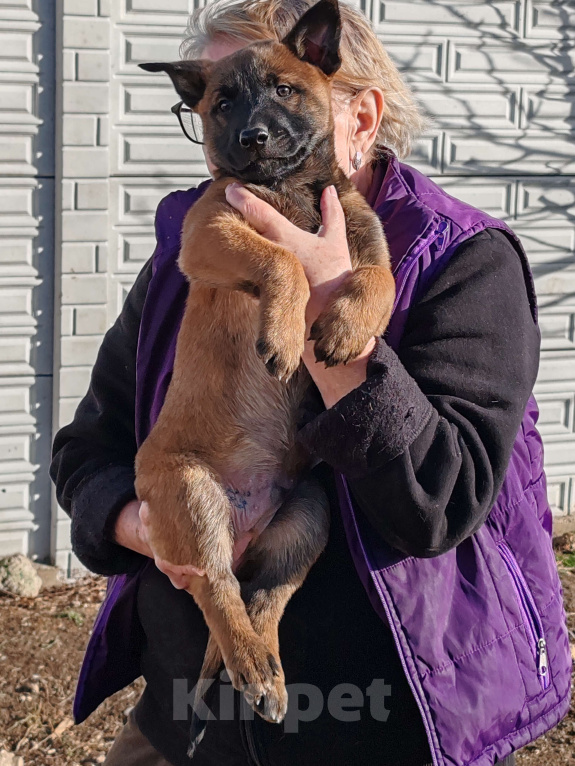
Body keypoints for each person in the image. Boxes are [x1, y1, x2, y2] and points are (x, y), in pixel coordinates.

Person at [50, 1, 571, 765]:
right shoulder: (189, 245)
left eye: (284, 92)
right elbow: (86, 449)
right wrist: (141, 524)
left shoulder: (464, 262)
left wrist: (326, 309)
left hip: (378, 718)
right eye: (220, 101)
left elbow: (438, 504)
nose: (250, 124)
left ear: (360, 115)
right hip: (182, 714)